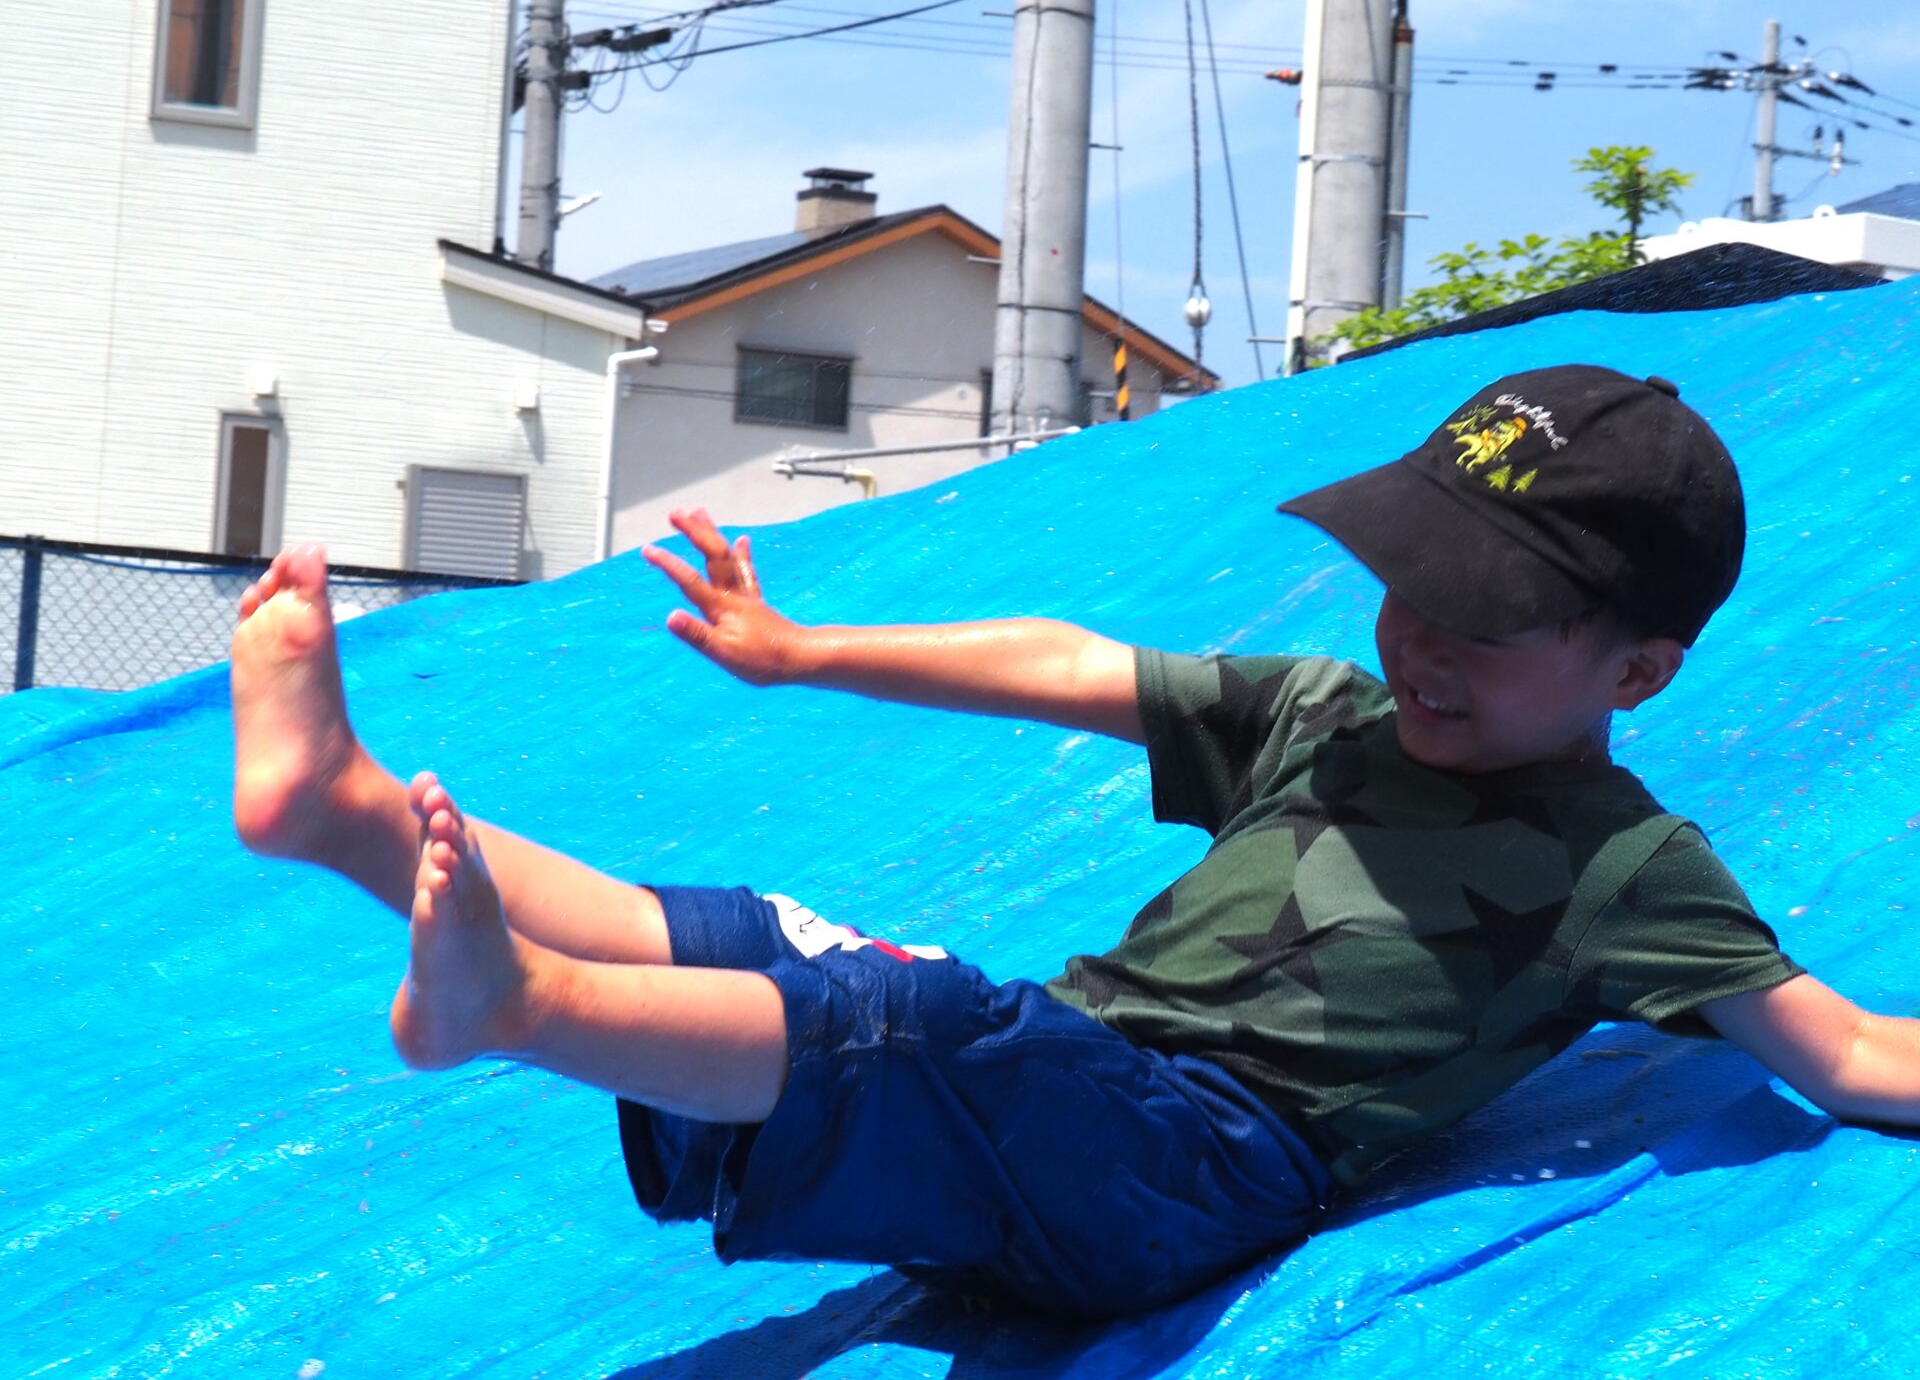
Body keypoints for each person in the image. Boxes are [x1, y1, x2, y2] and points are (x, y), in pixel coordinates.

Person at [229, 364, 1920, 1320]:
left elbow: (1840, 1051)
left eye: (1484, 619)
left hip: (1202, 1167)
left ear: (1638, 670)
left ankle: (512, 1005)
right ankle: (345, 812)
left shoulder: (1625, 866)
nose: (1421, 638)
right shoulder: (1328, 715)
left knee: (921, 1019)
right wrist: (806, 651)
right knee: (769, 939)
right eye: (1412, 585)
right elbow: (1070, 664)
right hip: (1074, 1071)